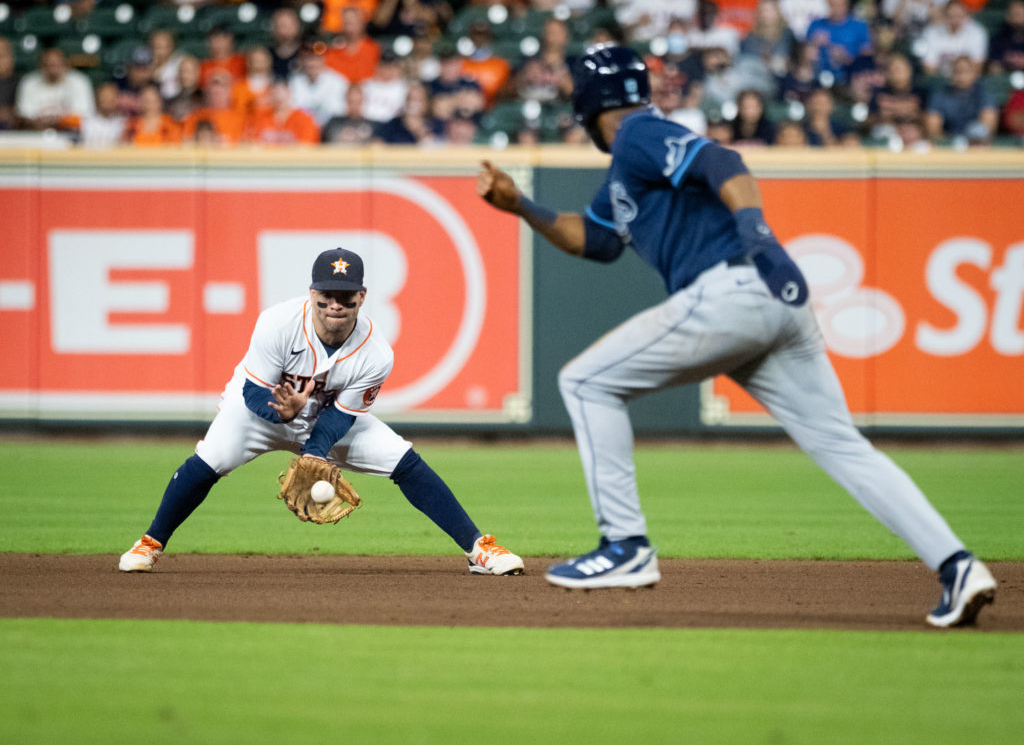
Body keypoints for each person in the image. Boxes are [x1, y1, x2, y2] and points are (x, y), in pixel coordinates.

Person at [475, 44, 996, 628]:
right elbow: (593, 241)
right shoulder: (625, 167)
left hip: (733, 290)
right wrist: (521, 205)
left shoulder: (637, 133)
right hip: (773, 303)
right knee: (842, 445)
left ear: (588, 105)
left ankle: (625, 545)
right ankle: (958, 566)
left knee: (585, 382)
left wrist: (756, 231)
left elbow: (721, 161)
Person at [120, 247, 524, 577]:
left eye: (346, 297)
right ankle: (150, 543)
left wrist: (314, 454)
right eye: (327, 295)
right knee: (210, 459)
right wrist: (283, 413)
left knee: (404, 461)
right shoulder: (277, 323)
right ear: (311, 292)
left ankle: (478, 549)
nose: (335, 304)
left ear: (362, 297)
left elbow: (342, 415)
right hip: (259, 414)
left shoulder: (376, 352)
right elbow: (253, 392)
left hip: (327, 422)